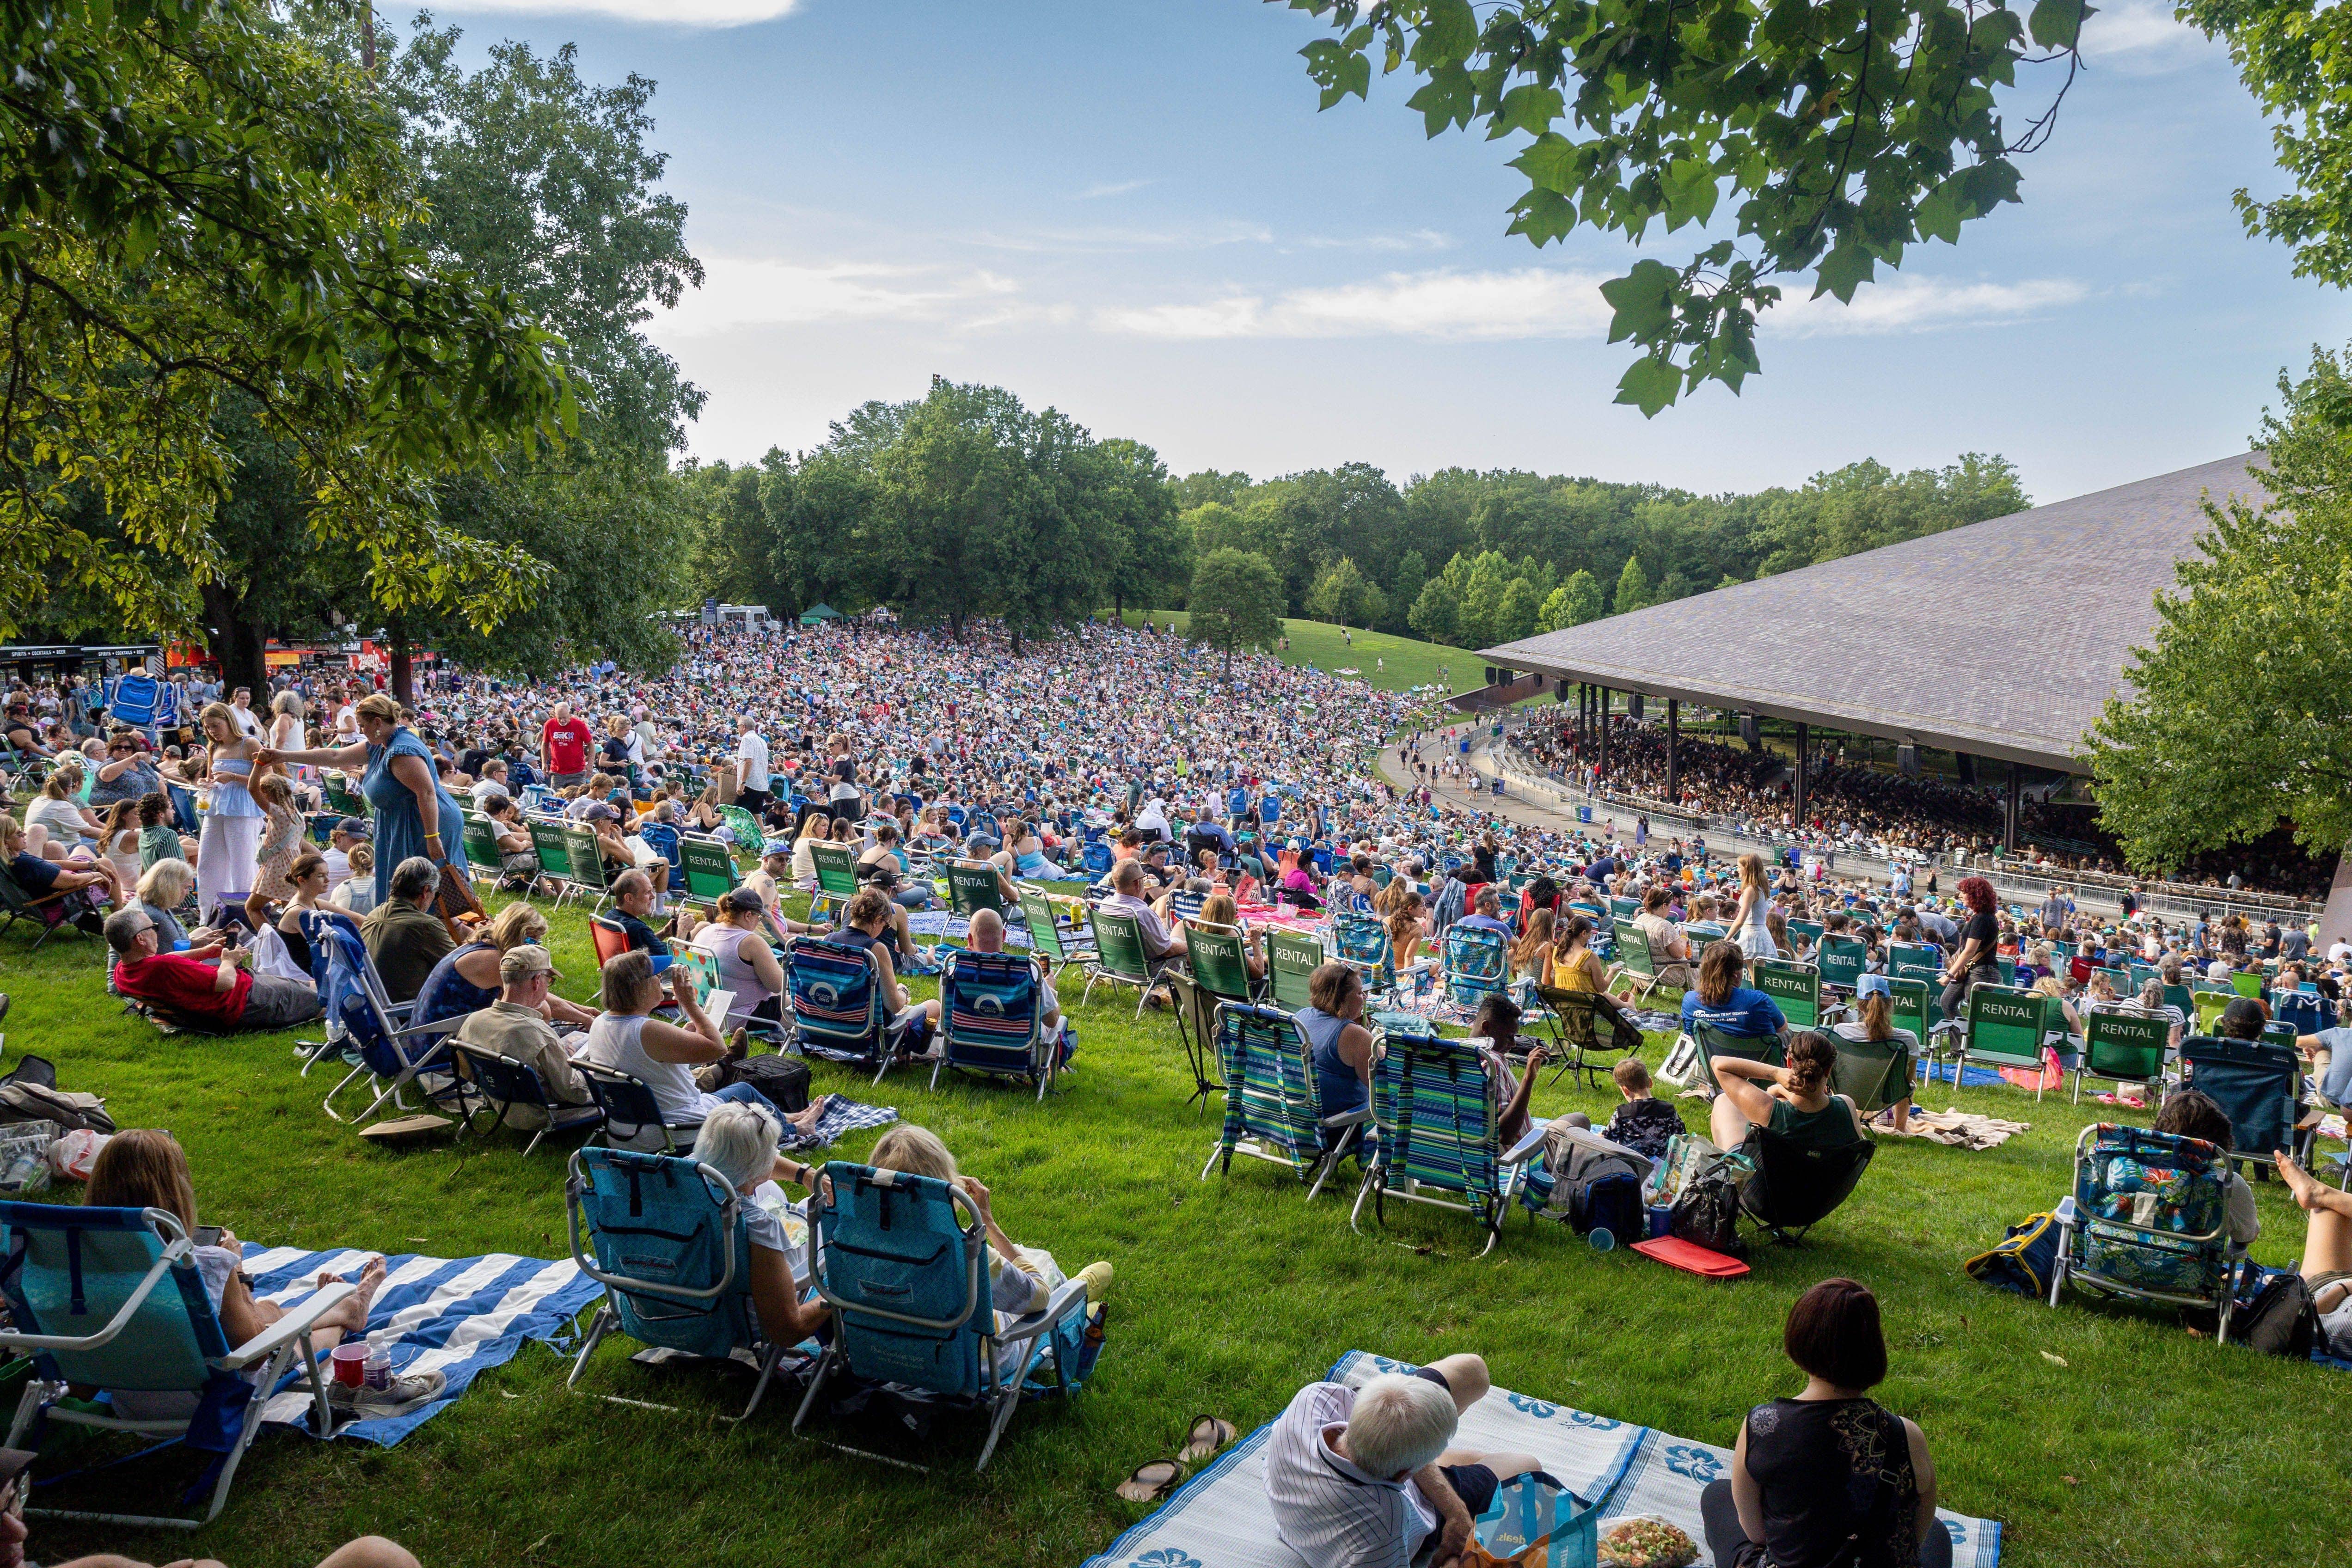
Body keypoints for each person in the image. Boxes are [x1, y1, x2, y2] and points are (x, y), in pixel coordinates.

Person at [84, 1130, 442, 1426]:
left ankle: (344, 1308)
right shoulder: (204, 1263)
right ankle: (347, 1316)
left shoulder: (73, 1263)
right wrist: (237, 1271)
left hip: (129, 1398)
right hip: (205, 1402)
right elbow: (253, 1356)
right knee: (294, 1332)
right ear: (174, 1194)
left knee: (268, 1308)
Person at [1700, 1278, 1948, 1568]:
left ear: (1799, 1340)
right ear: (1873, 1350)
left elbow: (1756, 1533)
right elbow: (1918, 1534)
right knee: (1939, 1534)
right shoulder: (1905, 1435)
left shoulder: (1761, 1426)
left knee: (1717, 1494)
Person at [1265, 1353, 1546, 1568]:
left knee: (1473, 1370)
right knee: (1528, 1466)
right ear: (1406, 1474)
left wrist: (1457, 1513)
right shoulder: (1386, 1525)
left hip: (1363, 1473)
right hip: (1416, 1504)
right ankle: (1441, 1460)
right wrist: (1456, 1554)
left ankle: (1424, 1450)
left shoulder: (1313, 1400)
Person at [865, 1124, 1111, 1326]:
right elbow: (1038, 1297)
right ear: (942, 1184)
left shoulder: (853, 1239)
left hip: (883, 1353)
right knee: (1043, 1272)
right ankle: (1078, 1303)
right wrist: (988, 1222)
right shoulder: (966, 1254)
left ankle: (1077, 1299)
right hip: (965, 1362)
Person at [260, 694, 469, 907]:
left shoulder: (401, 752)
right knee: (406, 893)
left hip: (423, 823)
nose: (360, 731)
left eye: (362, 726)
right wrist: (283, 756)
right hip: (401, 821)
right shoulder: (380, 744)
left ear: (377, 722)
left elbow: (427, 793)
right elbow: (335, 756)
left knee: (426, 893)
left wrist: (432, 837)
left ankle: (431, 932)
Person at [576, 949, 776, 1131]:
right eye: (656, 977)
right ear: (641, 988)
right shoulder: (648, 1029)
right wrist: (689, 1003)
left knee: (744, 1095)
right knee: (744, 1091)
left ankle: (792, 1119)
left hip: (626, 1130)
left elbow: (643, 1057)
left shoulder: (601, 1022)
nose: (660, 981)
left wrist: (682, 1034)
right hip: (676, 1127)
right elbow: (718, 1048)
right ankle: (796, 1131)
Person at [687, 1103, 832, 1345]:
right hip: (742, 1323)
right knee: (822, 1218)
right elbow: (787, 1329)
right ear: (758, 1166)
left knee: (770, 1189)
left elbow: (742, 1160)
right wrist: (837, 1290)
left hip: (680, 1305)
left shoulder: (678, 1175)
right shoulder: (757, 1225)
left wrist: (804, 1174)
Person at [104, 907, 322, 1031]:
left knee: (306, 985)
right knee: (324, 1000)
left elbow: (167, 958)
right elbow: (225, 982)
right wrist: (229, 960)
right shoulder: (164, 967)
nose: (157, 932)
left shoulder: (123, 972)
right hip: (249, 1003)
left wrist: (205, 952)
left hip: (239, 998)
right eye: (154, 928)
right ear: (141, 939)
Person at [449, 944, 595, 1128]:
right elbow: (575, 1093)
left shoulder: (474, 1021)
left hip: (503, 1107)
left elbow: (470, 1073)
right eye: (549, 981)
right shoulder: (537, 1032)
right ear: (536, 981)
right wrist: (592, 1065)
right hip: (547, 1114)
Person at [416, 900, 597, 1028]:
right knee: (541, 1011)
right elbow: (538, 999)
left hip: (434, 1029)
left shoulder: (486, 944)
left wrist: (582, 1010)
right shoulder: (495, 960)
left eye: (537, 942)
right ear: (515, 934)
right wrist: (586, 1020)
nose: (532, 947)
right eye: (530, 940)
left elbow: (542, 993)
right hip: (441, 1042)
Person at [1709, 1030, 1868, 1153]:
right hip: (1823, 1192)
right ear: (1829, 1069)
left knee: (1724, 1101)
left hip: (1761, 1190)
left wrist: (1776, 1074)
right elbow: (1812, 1104)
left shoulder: (1770, 1112)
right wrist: (1781, 1090)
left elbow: (1718, 1063)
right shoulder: (1847, 1106)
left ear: (1789, 1062)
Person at [2154, 1088, 2259, 1255]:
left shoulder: (2134, 1170)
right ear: (2219, 1136)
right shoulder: (2227, 1182)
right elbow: (2247, 1234)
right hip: (2190, 1272)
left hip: (2124, 1260)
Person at [831, 887, 943, 1036]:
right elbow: (895, 1006)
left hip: (829, 1027)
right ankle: (902, 1052)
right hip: (868, 1035)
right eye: (886, 925)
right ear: (877, 921)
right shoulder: (875, 950)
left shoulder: (829, 941)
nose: (885, 928)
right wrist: (903, 991)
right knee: (934, 1006)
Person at [192, 702, 266, 925]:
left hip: (243, 809)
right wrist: (206, 782)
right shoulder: (214, 747)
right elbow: (211, 776)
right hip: (216, 807)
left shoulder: (249, 744)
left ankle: (245, 918)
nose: (213, 731)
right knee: (207, 863)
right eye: (208, 727)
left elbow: (268, 779)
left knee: (242, 864)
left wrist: (234, 778)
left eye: (216, 725)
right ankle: (209, 918)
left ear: (228, 721)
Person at [966, 907, 1067, 1056]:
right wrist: (1049, 989)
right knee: (1060, 1021)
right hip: (1019, 1055)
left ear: (970, 939)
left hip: (967, 1050)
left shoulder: (957, 969)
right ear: (1004, 936)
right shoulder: (1028, 969)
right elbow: (1051, 1021)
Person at [359, 855, 457, 1004]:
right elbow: (462, 968)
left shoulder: (374, 915)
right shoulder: (425, 926)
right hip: (412, 1013)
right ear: (425, 891)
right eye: (436, 894)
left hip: (376, 1010)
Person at [692, 887, 789, 1029]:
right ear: (748, 915)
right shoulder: (750, 941)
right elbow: (778, 985)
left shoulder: (705, 931)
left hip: (702, 1013)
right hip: (740, 1018)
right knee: (805, 1003)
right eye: (759, 917)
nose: (758, 921)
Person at [1297, 961, 1375, 1135]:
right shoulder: (1355, 1036)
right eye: (1359, 993)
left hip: (1295, 1122)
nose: (1365, 997)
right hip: (1338, 1126)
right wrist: (1370, 1039)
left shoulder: (1300, 1018)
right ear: (1341, 997)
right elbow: (1386, 1087)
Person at [2, 813, 112, 935]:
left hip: (37, 904)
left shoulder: (9, 859)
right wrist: (97, 875)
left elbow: (44, 863)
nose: (24, 835)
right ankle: (120, 919)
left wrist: (91, 865)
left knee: (85, 853)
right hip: (64, 901)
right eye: (19, 834)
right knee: (105, 862)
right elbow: (75, 881)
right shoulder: (26, 864)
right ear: (6, 843)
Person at [1835, 974, 1917, 1133]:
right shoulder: (1908, 1039)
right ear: (1891, 1004)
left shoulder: (1840, 1032)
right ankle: (1900, 1129)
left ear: (1859, 1006)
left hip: (1848, 1096)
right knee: (1910, 1083)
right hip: (1887, 1099)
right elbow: (1909, 1080)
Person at [1680, 940, 1788, 1054]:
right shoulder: (1759, 1000)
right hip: (1762, 1067)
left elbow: (1690, 1037)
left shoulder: (1690, 1001)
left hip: (1713, 1066)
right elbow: (1782, 1028)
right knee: (1786, 1033)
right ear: (1736, 973)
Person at [243, 772, 306, 934]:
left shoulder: (278, 813)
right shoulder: (298, 816)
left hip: (278, 865)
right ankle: (292, 944)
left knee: (252, 907)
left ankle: (273, 941)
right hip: (295, 864)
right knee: (290, 911)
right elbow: (299, 845)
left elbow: (252, 789)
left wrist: (259, 764)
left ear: (268, 794)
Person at [1939, 875, 2002, 1022]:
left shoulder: (1982, 918)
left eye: (1964, 892)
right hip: (1973, 969)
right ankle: (1959, 1043)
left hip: (1982, 971)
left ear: (1975, 895)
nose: (1960, 895)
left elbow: (1969, 951)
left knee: (1976, 1016)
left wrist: (1949, 975)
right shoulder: (1979, 916)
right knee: (1947, 1003)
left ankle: (1972, 1044)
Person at [1602, 1055, 1685, 1160]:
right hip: (1661, 1166)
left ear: (1625, 1090)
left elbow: (1606, 1141)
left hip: (1631, 1166)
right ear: (1650, 1082)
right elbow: (1681, 1136)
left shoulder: (1622, 1114)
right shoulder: (1669, 1110)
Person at [1730, 850, 1777, 959]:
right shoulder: (1758, 887)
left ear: (1747, 869)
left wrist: (1725, 940)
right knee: (1756, 973)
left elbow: (1740, 921)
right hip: (1755, 933)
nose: (1737, 870)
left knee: (1754, 974)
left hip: (1752, 935)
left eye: (1739, 867)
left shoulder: (1751, 890)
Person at [540, 700, 594, 790]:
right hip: (557, 772)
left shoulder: (579, 725)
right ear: (555, 714)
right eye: (560, 718)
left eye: (565, 717)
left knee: (577, 799)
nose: (562, 721)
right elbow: (545, 744)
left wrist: (590, 764)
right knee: (557, 801)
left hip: (577, 773)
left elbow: (591, 744)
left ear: (570, 714)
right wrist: (544, 762)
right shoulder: (549, 724)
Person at [734, 712, 772, 814]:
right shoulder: (761, 741)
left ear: (743, 727)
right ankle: (761, 830)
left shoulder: (747, 739)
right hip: (762, 784)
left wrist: (742, 783)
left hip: (750, 784)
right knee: (756, 814)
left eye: (738, 726)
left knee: (738, 813)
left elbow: (749, 762)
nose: (738, 729)